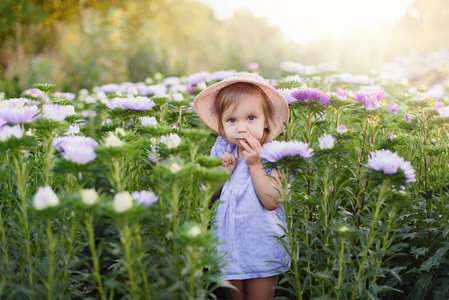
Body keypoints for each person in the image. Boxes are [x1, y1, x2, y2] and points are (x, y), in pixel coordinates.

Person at [193, 72, 290, 300]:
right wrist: (222, 174)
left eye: (251, 118)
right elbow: (209, 195)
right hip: (229, 243)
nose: (241, 128)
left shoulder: (278, 156)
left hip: (262, 244)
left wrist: (255, 163)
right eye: (232, 120)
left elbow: (271, 201)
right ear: (222, 125)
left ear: (267, 121)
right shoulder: (222, 150)